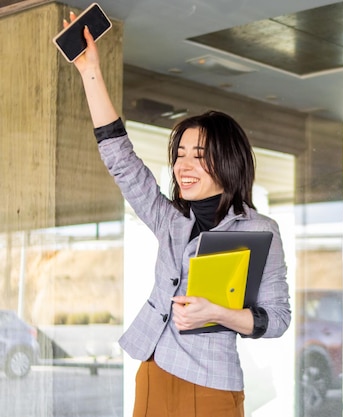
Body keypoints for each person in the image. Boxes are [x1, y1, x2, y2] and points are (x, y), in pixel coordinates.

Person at [63, 12, 291, 417]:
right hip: (153, 369)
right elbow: (121, 159)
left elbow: (277, 320)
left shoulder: (260, 230)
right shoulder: (171, 220)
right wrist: (90, 71)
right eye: (180, 155)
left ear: (228, 162)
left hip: (211, 383)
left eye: (199, 156)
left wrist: (218, 313)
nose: (183, 166)